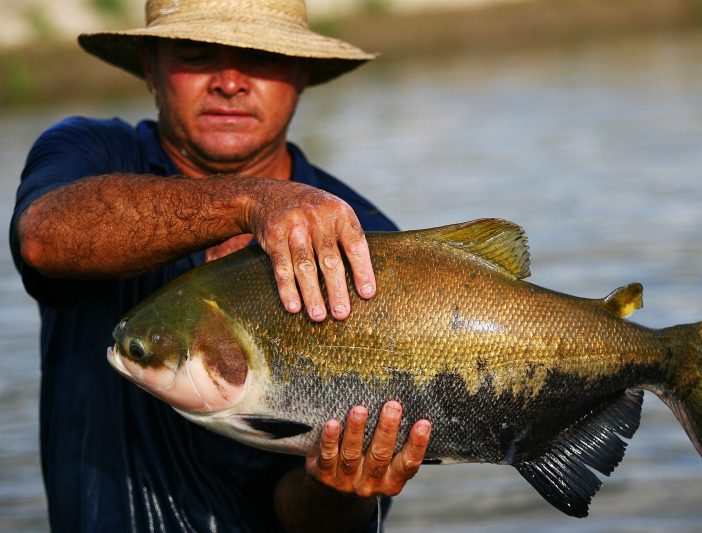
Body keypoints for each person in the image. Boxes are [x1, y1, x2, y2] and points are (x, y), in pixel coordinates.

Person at [9, 0, 431, 531]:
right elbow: (45, 239)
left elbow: (318, 519)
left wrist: (335, 487)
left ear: (301, 73)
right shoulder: (90, 153)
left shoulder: (366, 239)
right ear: (149, 67)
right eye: (196, 54)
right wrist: (246, 203)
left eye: (259, 57)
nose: (230, 82)